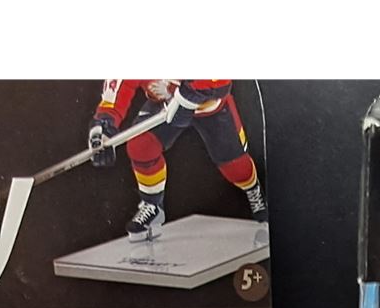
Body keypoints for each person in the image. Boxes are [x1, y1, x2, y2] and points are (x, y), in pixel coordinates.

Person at [87, 80, 267, 241]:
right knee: (141, 145)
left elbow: (219, 80)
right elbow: (119, 86)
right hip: (166, 106)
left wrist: (185, 97)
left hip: (210, 107)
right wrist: (103, 127)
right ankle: (153, 205)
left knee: (236, 166)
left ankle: (252, 188)